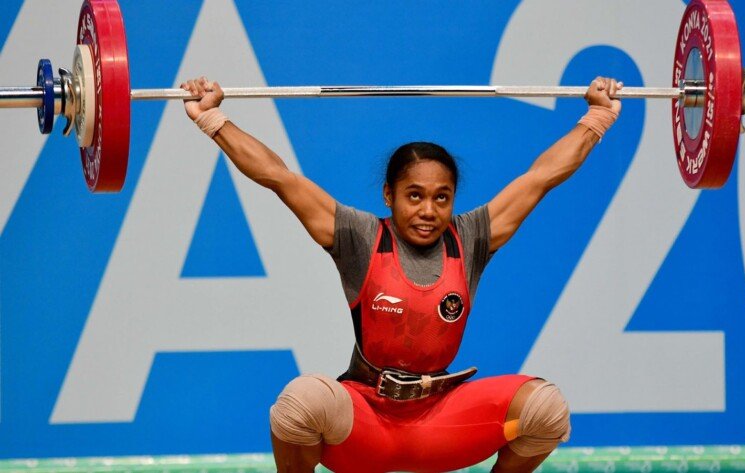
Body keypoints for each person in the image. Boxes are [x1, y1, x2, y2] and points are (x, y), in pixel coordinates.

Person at [181, 75, 622, 473]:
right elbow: (278, 177)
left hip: (441, 425)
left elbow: (541, 177)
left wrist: (597, 117)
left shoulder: (470, 238)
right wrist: (212, 119)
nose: (429, 210)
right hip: (364, 425)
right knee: (302, 402)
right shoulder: (360, 236)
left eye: (441, 197)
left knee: (545, 409)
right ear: (388, 195)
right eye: (414, 195)